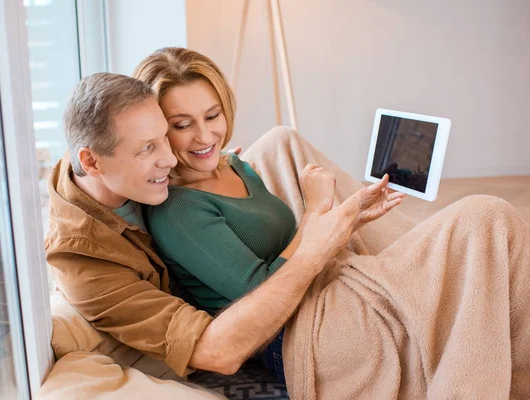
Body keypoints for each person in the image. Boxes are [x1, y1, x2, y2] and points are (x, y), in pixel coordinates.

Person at [134, 47, 530, 399]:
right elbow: (261, 295)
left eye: (212, 115)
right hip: (301, 334)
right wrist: (315, 215)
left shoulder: (235, 164)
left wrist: (348, 216)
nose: (205, 136)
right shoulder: (178, 209)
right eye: (182, 124)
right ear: (157, 128)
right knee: (487, 216)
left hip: (329, 286)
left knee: (492, 248)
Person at [45, 71, 397, 383]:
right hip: (278, 331)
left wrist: (215, 170)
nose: (168, 159)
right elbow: (219, 352)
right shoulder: (86, 261)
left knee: (281, 141)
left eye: (166, 135)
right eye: (148, 148)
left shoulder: (121, 167)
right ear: (91, 161)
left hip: (295, 295)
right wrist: (316, 238)